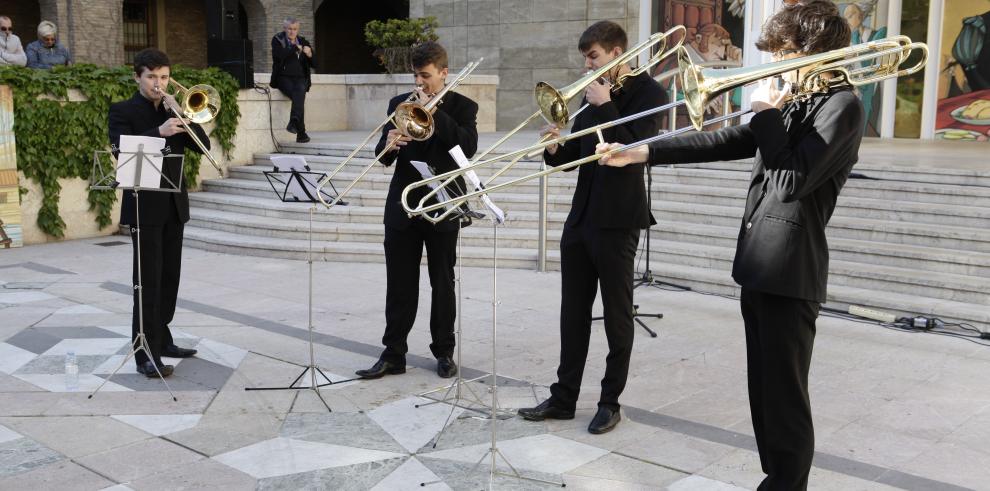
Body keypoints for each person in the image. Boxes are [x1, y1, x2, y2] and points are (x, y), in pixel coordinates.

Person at [598, 1, 863, 487]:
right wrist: (640, 153)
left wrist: (767, 114)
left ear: (811, 51)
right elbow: (725, 141)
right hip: (759, 267)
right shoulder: (800, 100)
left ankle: (788, 484)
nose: (777, 65)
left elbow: (789, 181)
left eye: (783, 53)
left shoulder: (842, 106)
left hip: (792, 274)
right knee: (762, 391)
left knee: (785, 396)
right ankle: (775, 477)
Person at [516, 20, 666, 435]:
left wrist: (603, 105)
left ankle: (609, 402)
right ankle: (564, 397)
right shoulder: (592, 95)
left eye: (594, 56)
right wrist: (554, 148)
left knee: (618, 317)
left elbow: (635, 147)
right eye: (586, 57)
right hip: (581, 218)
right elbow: (578, 155)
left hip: (618, 220)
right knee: (572, 314)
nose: (588, 64)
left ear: (616, 53)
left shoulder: (650, 93)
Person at [355, 41, 478, 381]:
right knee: (399, 284)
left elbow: (467, 148)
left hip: (442, 204)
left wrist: (437, 115)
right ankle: (393, 353)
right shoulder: (400, 104)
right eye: (416, 75)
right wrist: (389, 144)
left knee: (442, 282)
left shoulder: (463, 106)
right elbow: (382, 157)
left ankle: (444, 352)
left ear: (443, 73)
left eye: (426, 76)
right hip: (403, 206)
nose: (420, 83)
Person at [108, 48, 205, 378]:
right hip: (143, 207)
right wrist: (158, 132)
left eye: (164, 77)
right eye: (151, 77)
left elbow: (202, 144)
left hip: (174, 206)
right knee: (146, 282)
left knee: (169, 278)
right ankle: (143, 353)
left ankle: (162, 339)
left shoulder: (174, 109)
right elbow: (119, 147)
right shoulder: (123, 110)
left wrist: (182, 114)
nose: (159, 84)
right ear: (137, 77)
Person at [270, 17, 314, 143]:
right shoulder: (277, 39)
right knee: (298, 95)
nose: (292, 32)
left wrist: (310, 54)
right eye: (289, 29)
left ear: (297, 29)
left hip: (300, 78)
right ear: (285, 29)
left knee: (300, 91)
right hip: (283, 78)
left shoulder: (303, 41)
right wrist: (294, 48)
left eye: (294, 29)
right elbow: (279, 56)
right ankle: (301, 132)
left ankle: (294, 123)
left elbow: (314, 63)